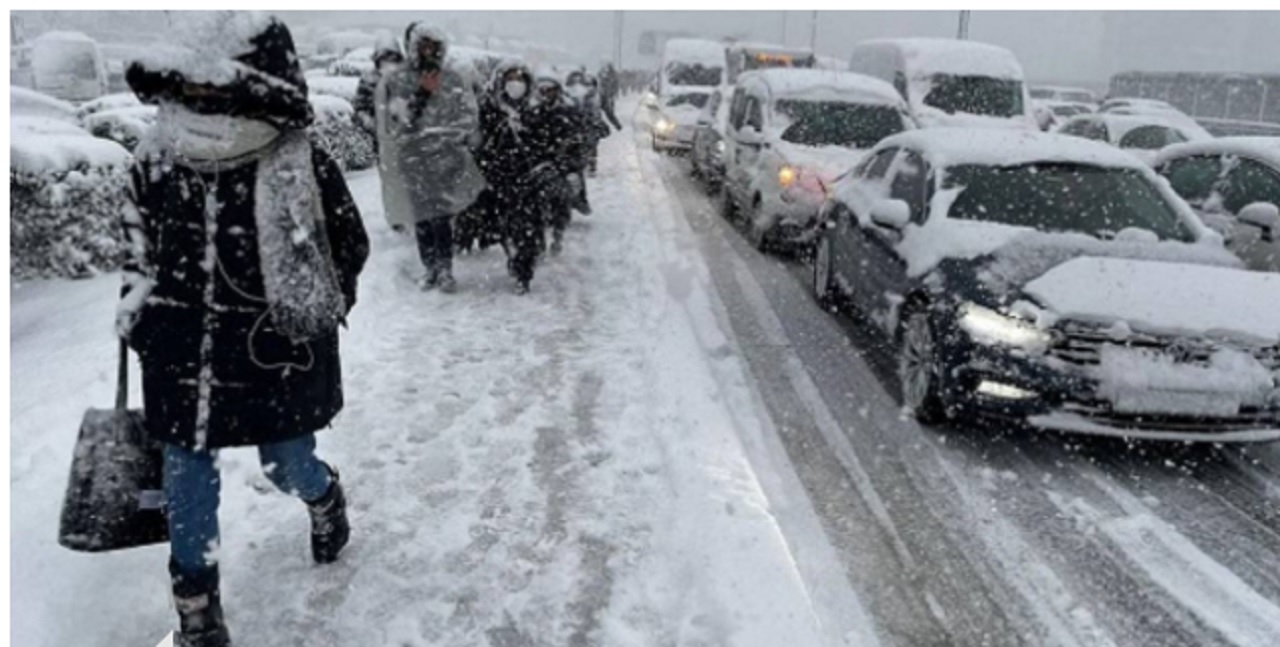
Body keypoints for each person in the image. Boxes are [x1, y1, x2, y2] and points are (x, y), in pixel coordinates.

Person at [120, 13, 369, 647]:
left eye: (214, 84)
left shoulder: (299, 159)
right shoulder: (155, 157)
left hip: (272, 351)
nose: (200, 97)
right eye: (191, 84)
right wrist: (141, 318)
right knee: (186, 477)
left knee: (288, 464)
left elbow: (348, 245)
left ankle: (323, 496)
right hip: (182, 353)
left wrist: (308, 309)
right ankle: (197, 608)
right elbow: (135, 251)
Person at [375, 22, 485, 293]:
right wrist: (422, 93)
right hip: (414, 159)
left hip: (445, 159)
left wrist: (450, 136)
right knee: (422, 217)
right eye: (422, 46)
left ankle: (445, 269)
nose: (428, 52)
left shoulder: (453, 79)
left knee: (441, 216)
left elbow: (468, 116)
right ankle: (430, 268)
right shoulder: (399, 80)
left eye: (433, 47)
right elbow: (398, 120)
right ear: (413, 48)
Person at [527, 72, 588, 257]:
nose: (546, 94)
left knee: (561, 204)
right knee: (534, 207)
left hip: (563, 167)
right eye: (542, 90)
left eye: (550, 90)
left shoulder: (568, 112)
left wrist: (571, 165)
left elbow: (577, 142)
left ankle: (558, 236)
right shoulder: (531, 113)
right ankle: (539, 242)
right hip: (539, 167)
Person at [352, 31, 404, 145]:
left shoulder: (404, 81)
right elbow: (359, 109)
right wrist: (370, 124)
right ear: (378, 61)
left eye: (392, 60)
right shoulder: (368, 80)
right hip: (376, 139)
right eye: (385, 59)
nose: (389, 64)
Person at [597, 62, 623, 131]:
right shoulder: (602, 75)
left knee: (609, 112)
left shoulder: (613, 75)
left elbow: (616, 85)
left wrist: (613, 93)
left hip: (607, 96)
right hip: (602, 95)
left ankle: (617, 125)